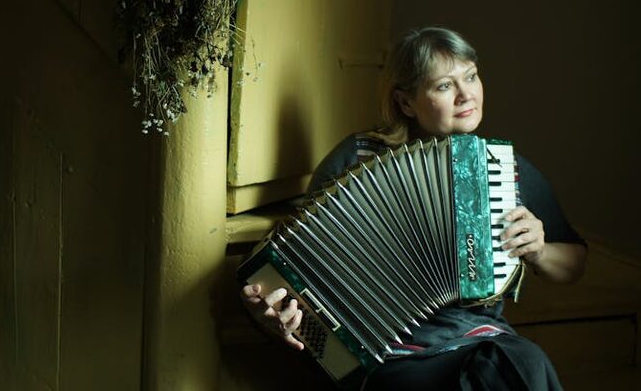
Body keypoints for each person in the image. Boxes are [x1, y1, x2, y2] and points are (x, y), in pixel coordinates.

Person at [240, 26, 587, 390]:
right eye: (443, 85)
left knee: (522, 362)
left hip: (478, 337)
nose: (465, 94)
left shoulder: (503, 169)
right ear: (406, 102)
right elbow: (297, 266)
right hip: (385, 350)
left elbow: (575, 262)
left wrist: (540, 250)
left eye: (471, 76)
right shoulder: (357, 161)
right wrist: (272, 312)